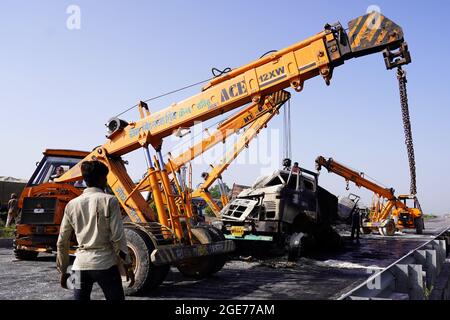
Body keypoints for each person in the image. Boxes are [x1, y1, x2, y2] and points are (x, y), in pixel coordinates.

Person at [56, 160, 134, 300]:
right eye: (105, 178)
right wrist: (127, 265)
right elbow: (118, 238)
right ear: (101, 179)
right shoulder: (110, 201)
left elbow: (62, 241)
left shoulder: (71, 205)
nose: (106, 181)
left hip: (79, 265)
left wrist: (63, 271)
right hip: (106, 265)